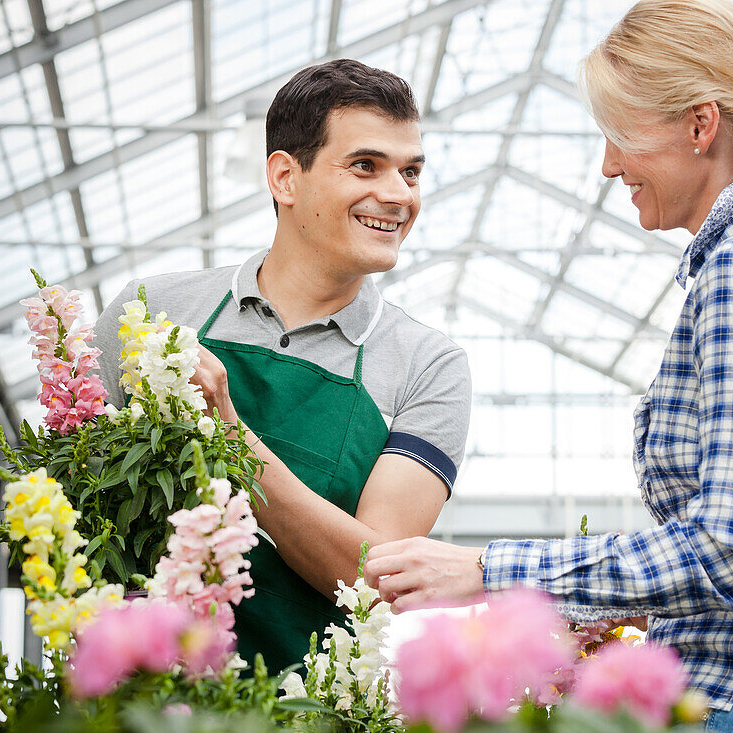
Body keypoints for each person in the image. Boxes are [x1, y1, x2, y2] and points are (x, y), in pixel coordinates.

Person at [363, 1, 733, 730]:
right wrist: (618, 604)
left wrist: (483, 570)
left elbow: (732, 549)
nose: (608, 165)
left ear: (700, 125)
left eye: (619, 134)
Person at [95, 59, 472, 674]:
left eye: (410, 172)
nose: (399, 195)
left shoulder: (429, 367)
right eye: (365, 166)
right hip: (133, 698)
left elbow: (376, 580)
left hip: (307, 705)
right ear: (284, 177)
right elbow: (73, 508)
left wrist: (228, 436)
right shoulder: (148, 314)